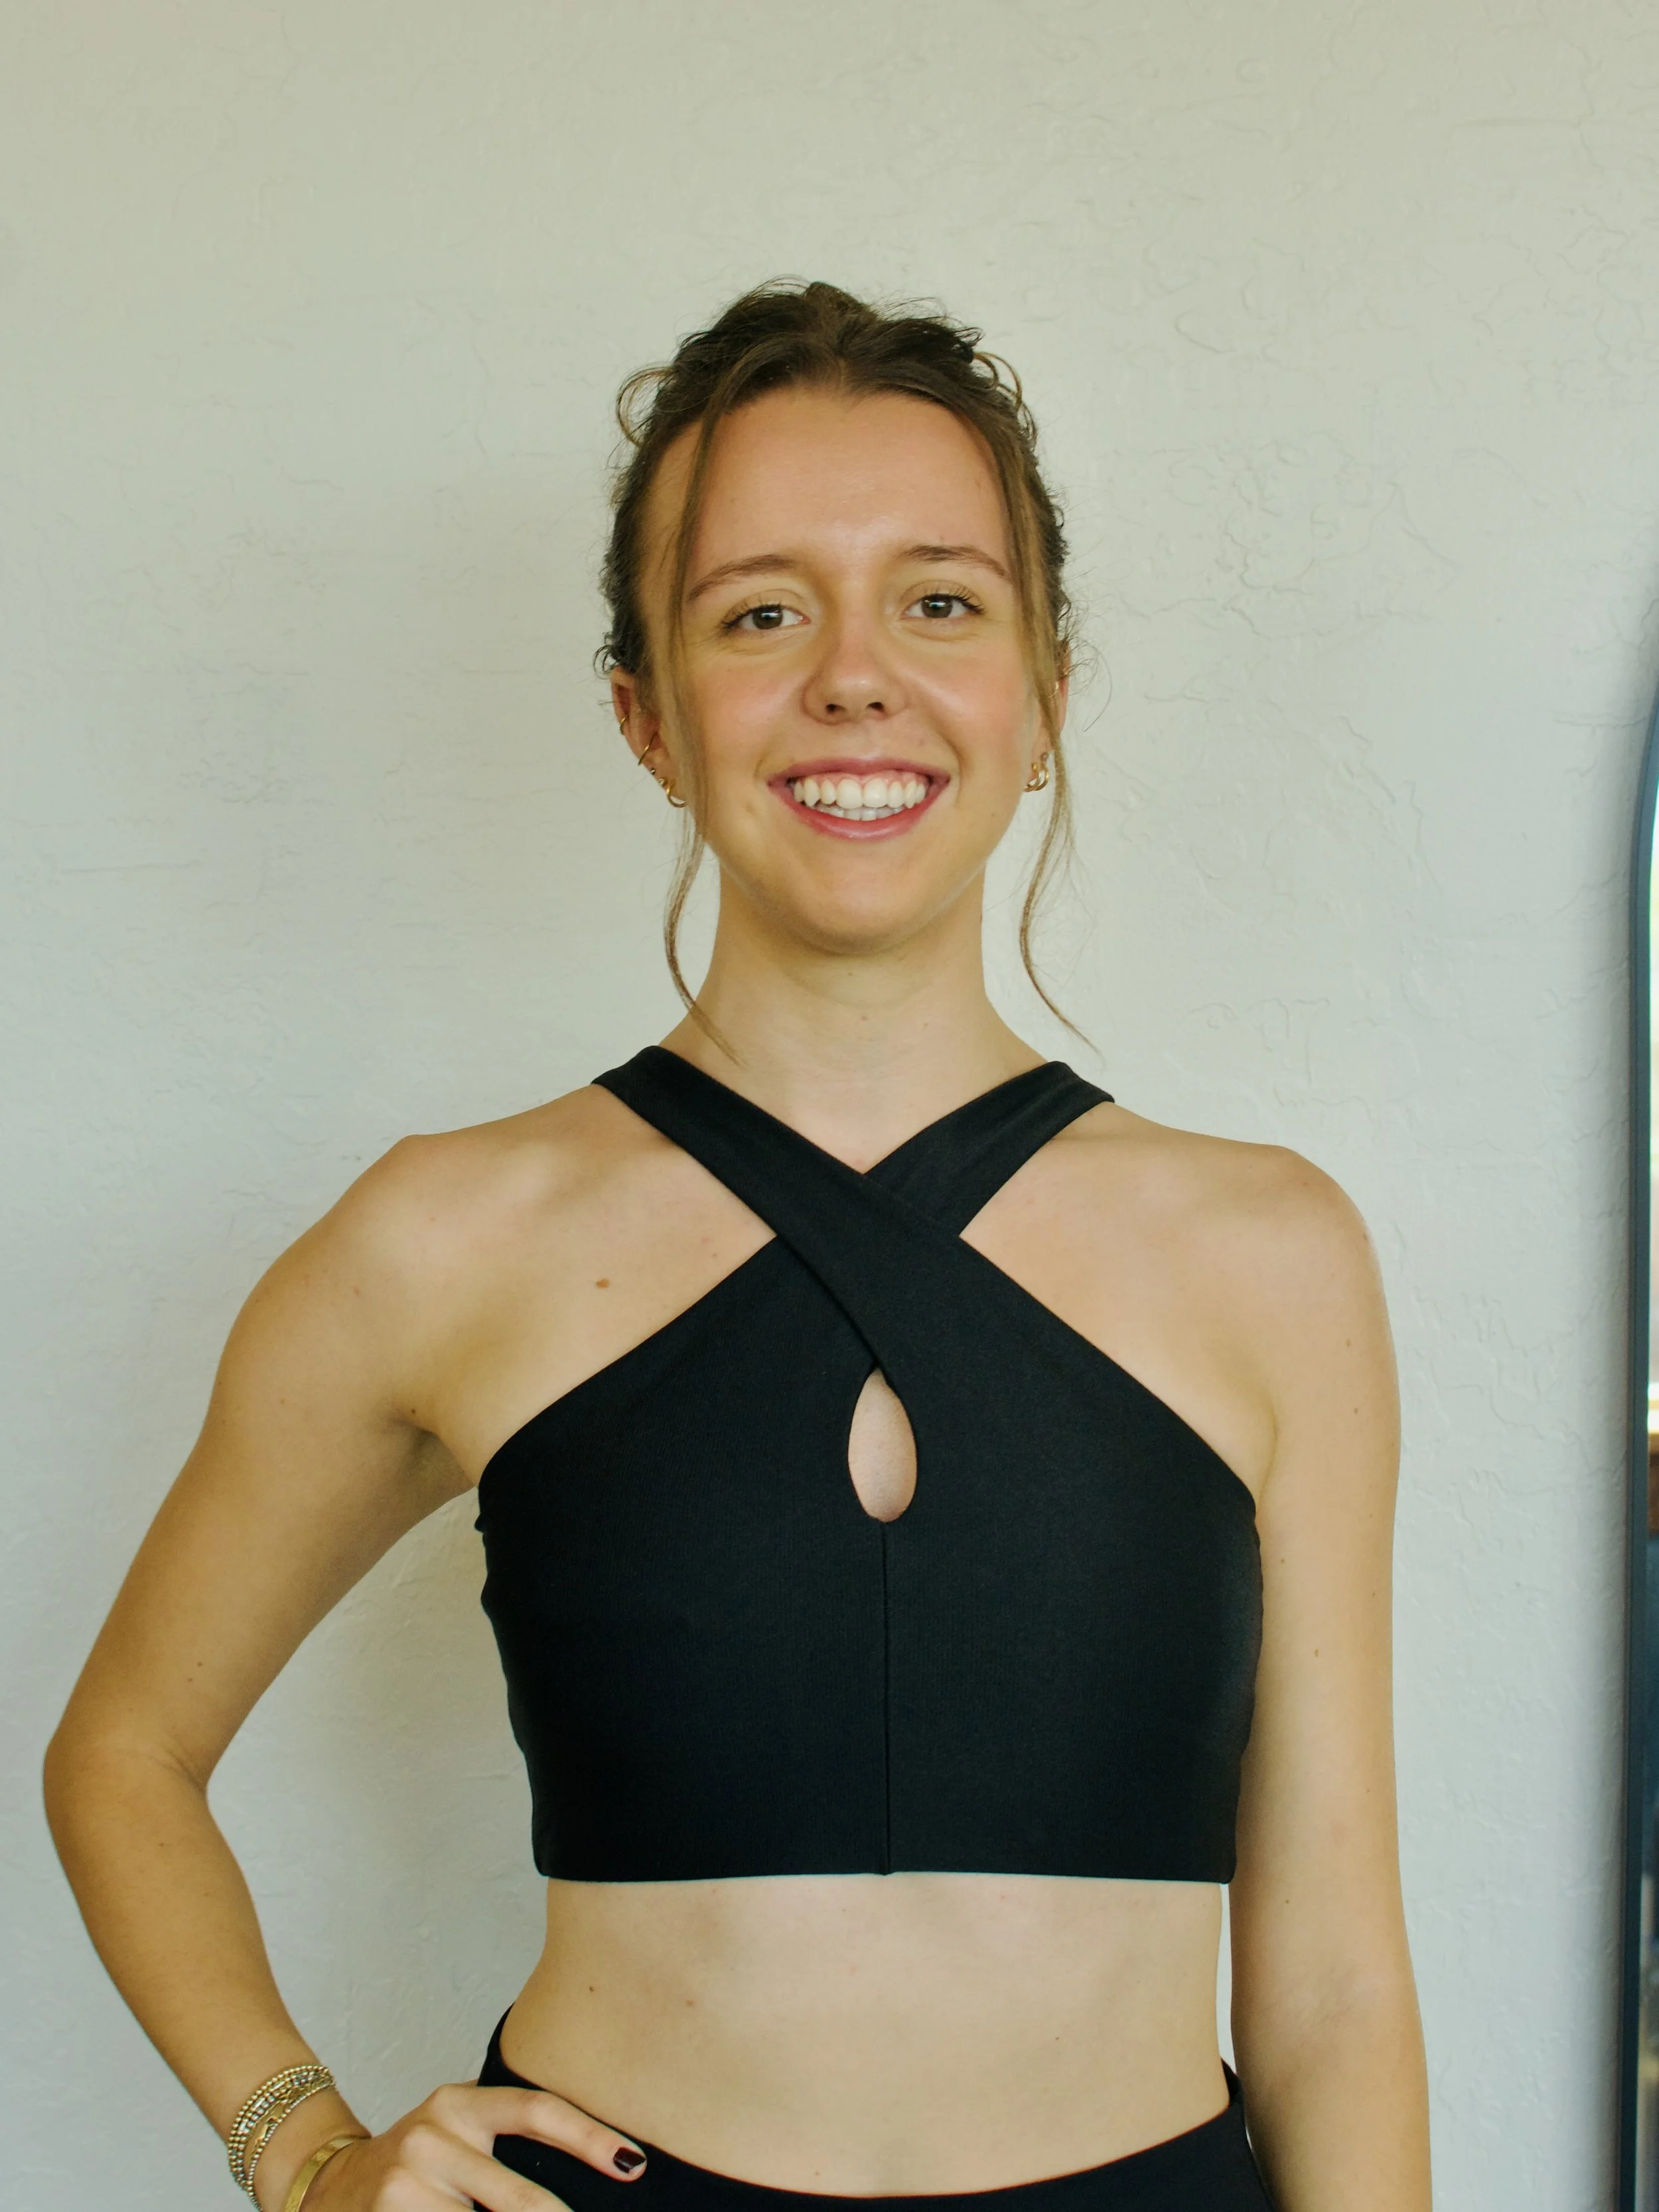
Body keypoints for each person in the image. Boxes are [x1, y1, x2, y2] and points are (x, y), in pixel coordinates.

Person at [44, 280, 1431, 2212]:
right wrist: (308, 2155)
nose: (855, 675)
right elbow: (122, 1751)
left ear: (1038, 692)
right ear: (645, 713)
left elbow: (1341, 1985)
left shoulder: (1271, 1254)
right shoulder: (443, 1237)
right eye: (760, 610)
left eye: (939, 601)